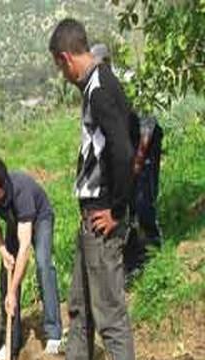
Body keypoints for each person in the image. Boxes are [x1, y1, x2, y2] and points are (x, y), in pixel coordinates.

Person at [45, 19, 139, 360]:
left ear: (66, 58)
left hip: (102, 218)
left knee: (109, 309)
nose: (61, 75)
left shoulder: (100, 89)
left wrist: (117, 210)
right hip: (89, 218)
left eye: (58, 66)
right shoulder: (96, 86)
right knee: (81, 307)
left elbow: (123, 149)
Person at [0, 156, 63, 360]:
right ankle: (11, 344)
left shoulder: (21, 189)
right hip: (14, 222)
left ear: (4, 182)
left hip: (40, 218)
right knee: (4, 276)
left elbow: (25, 247)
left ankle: (53, 333)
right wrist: (2, 250)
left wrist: (14, 291)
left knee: (43, 266)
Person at [91, 43, 164, 281]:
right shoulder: (100, 89)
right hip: (128, 144)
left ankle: (154, 248)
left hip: (146, 140)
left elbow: (147, 129)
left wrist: (137, 163)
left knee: (143, 196)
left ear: (106, 62)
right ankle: (134, 256)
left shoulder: (127, 84)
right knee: (129, 200)